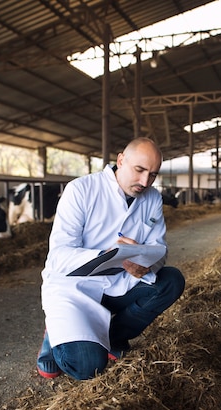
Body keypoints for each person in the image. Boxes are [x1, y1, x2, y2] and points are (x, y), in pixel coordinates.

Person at [36, 137, 185, 380]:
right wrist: (105, 255)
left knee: (171, 280)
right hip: (75, 287)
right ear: (121, 160)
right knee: (87, 367)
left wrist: (145, 265)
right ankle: (55, 333)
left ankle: (113, 337)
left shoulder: (153, 198)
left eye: (153, 174)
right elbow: (59, 256)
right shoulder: (81, 190)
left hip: (120, 282)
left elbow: (160, 249)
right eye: (139, 170)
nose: (145, 181)